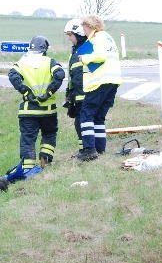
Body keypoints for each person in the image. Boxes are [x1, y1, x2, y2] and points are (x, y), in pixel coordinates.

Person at [7, 36, 65, 170]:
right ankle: (45, 162)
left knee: (28, 140)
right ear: (45, 49)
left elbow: (12, 75)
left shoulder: (22, 62)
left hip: (29, 111)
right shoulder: (50, 62)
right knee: (49, 135)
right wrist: (49, 92)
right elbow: (60, 74)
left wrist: (26, 92)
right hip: (48, 111)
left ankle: (27, 169)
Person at [75, 15, 122, 161]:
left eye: (84, 27)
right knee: (99, 117)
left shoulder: (97, 38)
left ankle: (89, 149)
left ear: (90, 26)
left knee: (86, 115)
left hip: (100, 81)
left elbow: (100, 56)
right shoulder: (108, 37)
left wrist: (84, 58)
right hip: (112, 81)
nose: (83, 30)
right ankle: (100, 149)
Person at [63, 19, 87, 155]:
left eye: (70, 35)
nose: (69, 39)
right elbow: (72, 77)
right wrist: (68, 94)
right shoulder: (76, 51)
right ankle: (83, 149)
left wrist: (75, 97)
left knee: (81, 123)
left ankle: (86, 150)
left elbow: (79, 77)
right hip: (78, 95)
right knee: (79, 123)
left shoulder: (82, 51)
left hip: (83, 95)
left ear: (78, 34)